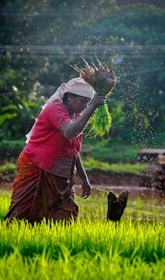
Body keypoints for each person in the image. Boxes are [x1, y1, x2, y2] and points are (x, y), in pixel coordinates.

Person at [5, 77, 108, 224]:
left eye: (87, 102)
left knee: (66, 216)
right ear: (69, 97)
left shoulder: (77, 116)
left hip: (61, 173)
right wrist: (92, 107)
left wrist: (84, 178)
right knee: (21, 214)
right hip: (37, 167)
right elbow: (69, 132)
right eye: (82, 101)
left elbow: (73, 150)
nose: (85, 106)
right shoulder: (55, 109)